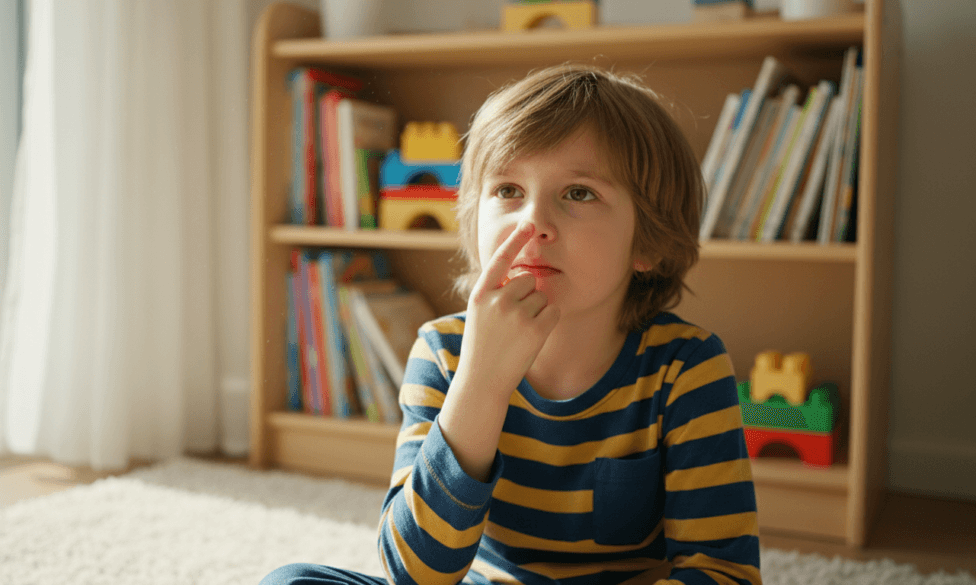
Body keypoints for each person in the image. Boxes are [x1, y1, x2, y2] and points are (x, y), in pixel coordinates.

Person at [262, 63, 761, 585]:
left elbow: (724, 574)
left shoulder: (687, 368)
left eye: (578, 193)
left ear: (649, 243)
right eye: (508, 190)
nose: (533, 222)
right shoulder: (444, 353)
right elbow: (415, 575)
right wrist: (481, 383)